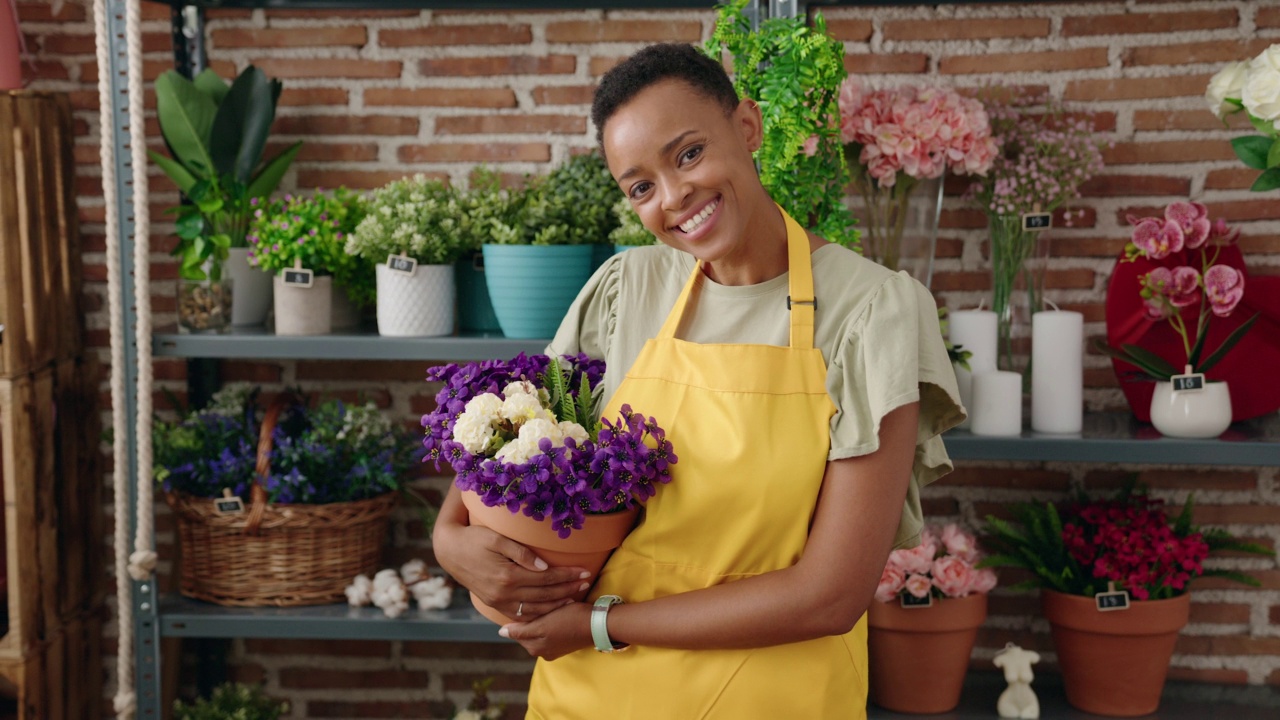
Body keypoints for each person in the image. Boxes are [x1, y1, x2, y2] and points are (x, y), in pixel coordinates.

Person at [432, 42, 964, 718]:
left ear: (747, 126)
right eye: (641, 187)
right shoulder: (627, 290)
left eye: (687, 154)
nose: (675, 197)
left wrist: (601, 625)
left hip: (772, 698)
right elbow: (502, 447)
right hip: (592, 697)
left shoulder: (871, 311)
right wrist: (450, 541)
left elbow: (831, 595)